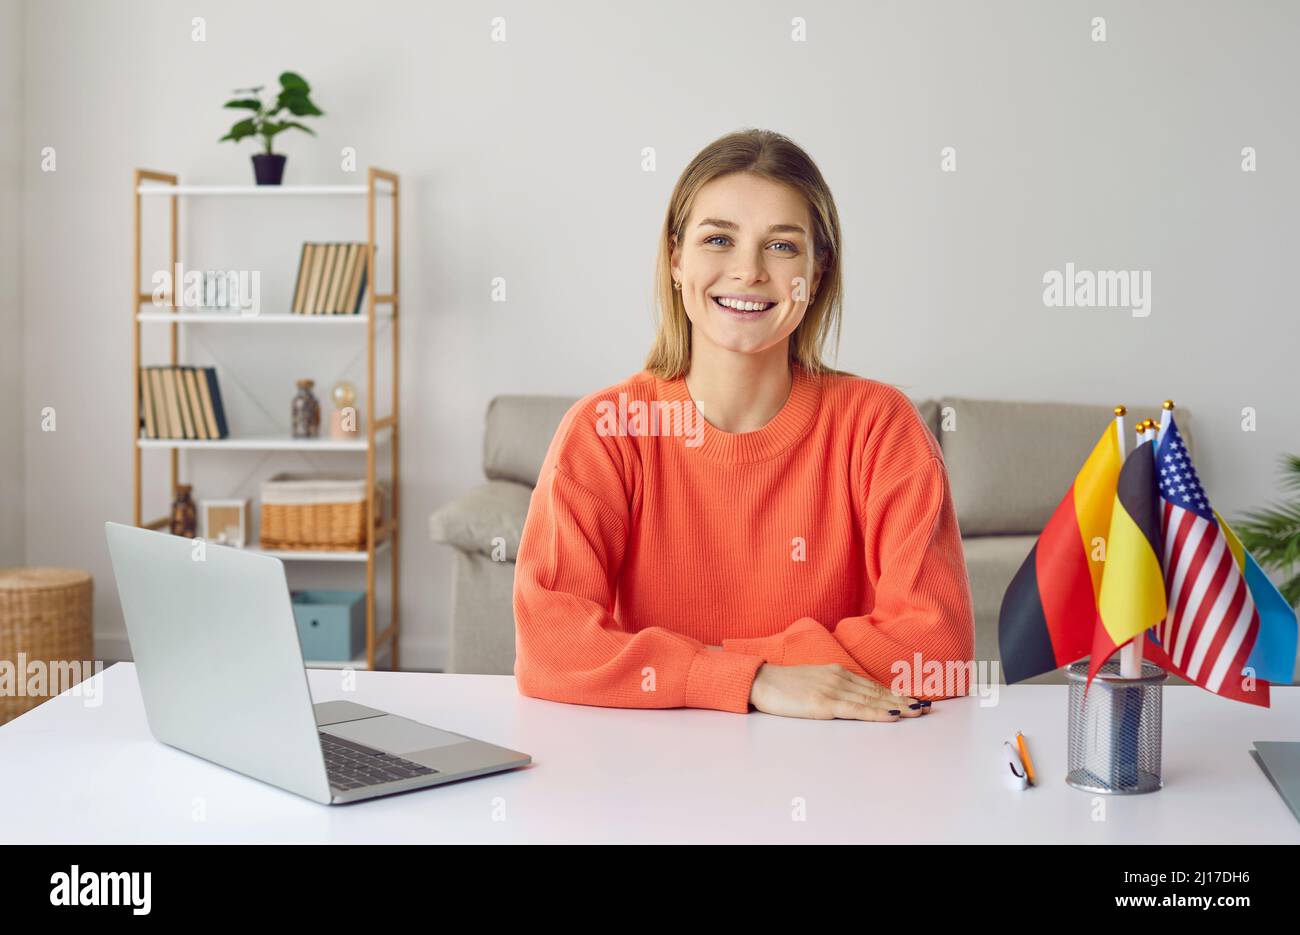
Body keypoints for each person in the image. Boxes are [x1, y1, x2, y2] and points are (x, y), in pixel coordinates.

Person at [513, 128, 974, 720]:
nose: (748, 271)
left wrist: (713, 669)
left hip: (842, 772)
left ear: (818, 270)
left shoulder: (881, 427)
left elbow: (938, 649)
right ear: (676, 259)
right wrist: (752, 680)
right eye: (719, 239)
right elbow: (551, 647)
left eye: (782, 246)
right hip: (650, 771)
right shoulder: (607, 431)